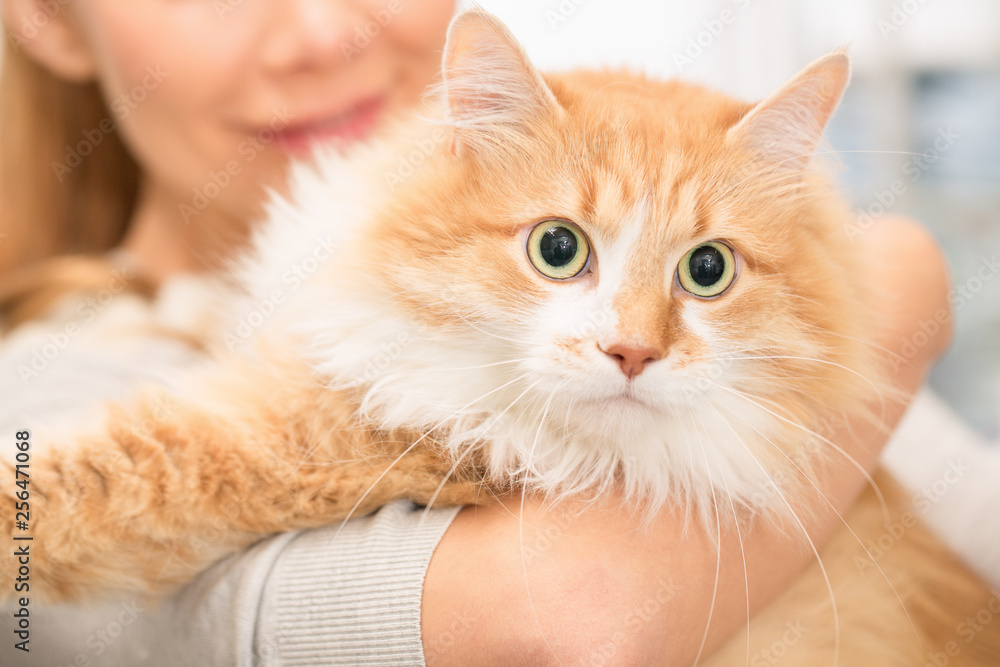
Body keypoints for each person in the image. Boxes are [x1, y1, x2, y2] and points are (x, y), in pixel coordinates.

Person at [0, 0, 954, 664]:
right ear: (46, 16)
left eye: (704, 270)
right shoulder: (42, 383)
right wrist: (904, 291)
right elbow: (580, 629)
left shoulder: (762, 366)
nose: (324, 33)